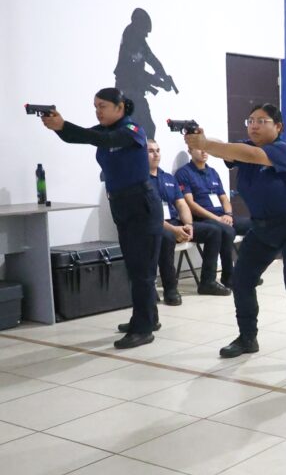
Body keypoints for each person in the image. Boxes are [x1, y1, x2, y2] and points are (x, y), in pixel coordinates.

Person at [184, 103, 286, 373]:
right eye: (251, 120)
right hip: (263, 229)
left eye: (262, 121)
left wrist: (207, 143)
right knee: (241, 279)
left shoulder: (283, 150)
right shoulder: (244, 149)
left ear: (278, 127)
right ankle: (247, 337)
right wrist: (202, 140)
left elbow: (244, 152)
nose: (254, 125)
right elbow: (227, 148)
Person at [40, 88, 161, 349]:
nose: (98, 111)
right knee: (134, 265)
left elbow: (101, 139)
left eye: (103, 106)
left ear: (120, 107)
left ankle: (143, 329)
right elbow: (79, 137)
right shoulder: (105, 131)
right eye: (95, 106)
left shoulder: (132, 129)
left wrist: (65, 125)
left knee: (142, 269)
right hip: (121, 203)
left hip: (141, 204)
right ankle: (148, 317)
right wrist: (58, 127)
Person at [146, 139, 230, 303]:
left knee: (214, 231)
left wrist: (188, 225)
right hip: (155, 226)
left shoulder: (168, 178)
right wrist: (174, 230)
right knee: (168, 237)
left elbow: (181, 203)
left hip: (175, 223)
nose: (156, 154)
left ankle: (208, 281)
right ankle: (171, 289)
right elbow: (148, 215)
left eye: (158, 150)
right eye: (150, 151)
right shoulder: (141, 181)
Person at [175, 147, 251, 289]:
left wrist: (228, 214)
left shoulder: (213, 172)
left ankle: (246, 272)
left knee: (253, 225)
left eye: (206, 149)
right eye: (199, 149)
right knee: (227, 231)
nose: (204, 152)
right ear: (190, 150)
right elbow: (190, 204)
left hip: (223, 217)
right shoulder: (184, 173)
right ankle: (229, 276)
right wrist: (218, 219)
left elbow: (224, 199)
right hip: (204, 218)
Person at [113, 8, 177, 140]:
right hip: (129, 94)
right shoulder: (132, 39)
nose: (146, 35)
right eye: (145, 31)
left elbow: (152, 60)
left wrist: (164, 77)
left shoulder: (137, 38)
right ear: (139, 26)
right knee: (143, 128)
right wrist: (160, 83)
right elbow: (137, 73)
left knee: (142, 129)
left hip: (132, 93)